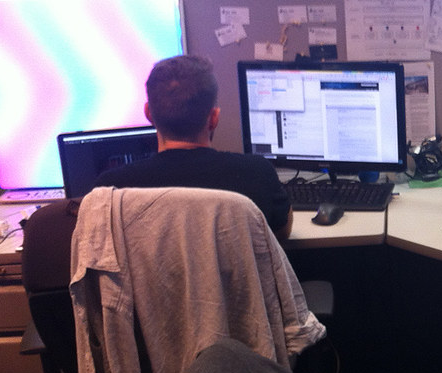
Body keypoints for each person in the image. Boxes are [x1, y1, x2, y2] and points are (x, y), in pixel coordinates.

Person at [94, 54, 293, 238]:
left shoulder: (110, 191)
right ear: (214, 118)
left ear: (148, 114)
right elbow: (282, 234)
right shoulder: (256, 173)